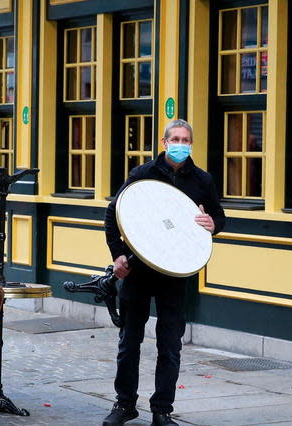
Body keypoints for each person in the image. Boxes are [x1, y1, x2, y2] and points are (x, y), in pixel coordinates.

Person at [102, 119, 226, 426]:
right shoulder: (142, 175)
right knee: (129, 342)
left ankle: (162, 410)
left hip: (175, 273)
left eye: (186, 140)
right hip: (139, 270)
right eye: (176, 139)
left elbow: (219, 217)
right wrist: (118, 256)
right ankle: (124, 405)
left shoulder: (202, 180)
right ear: (164, 142)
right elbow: (112, 214)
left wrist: (214, 225)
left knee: (169, 345)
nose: (181, 144)